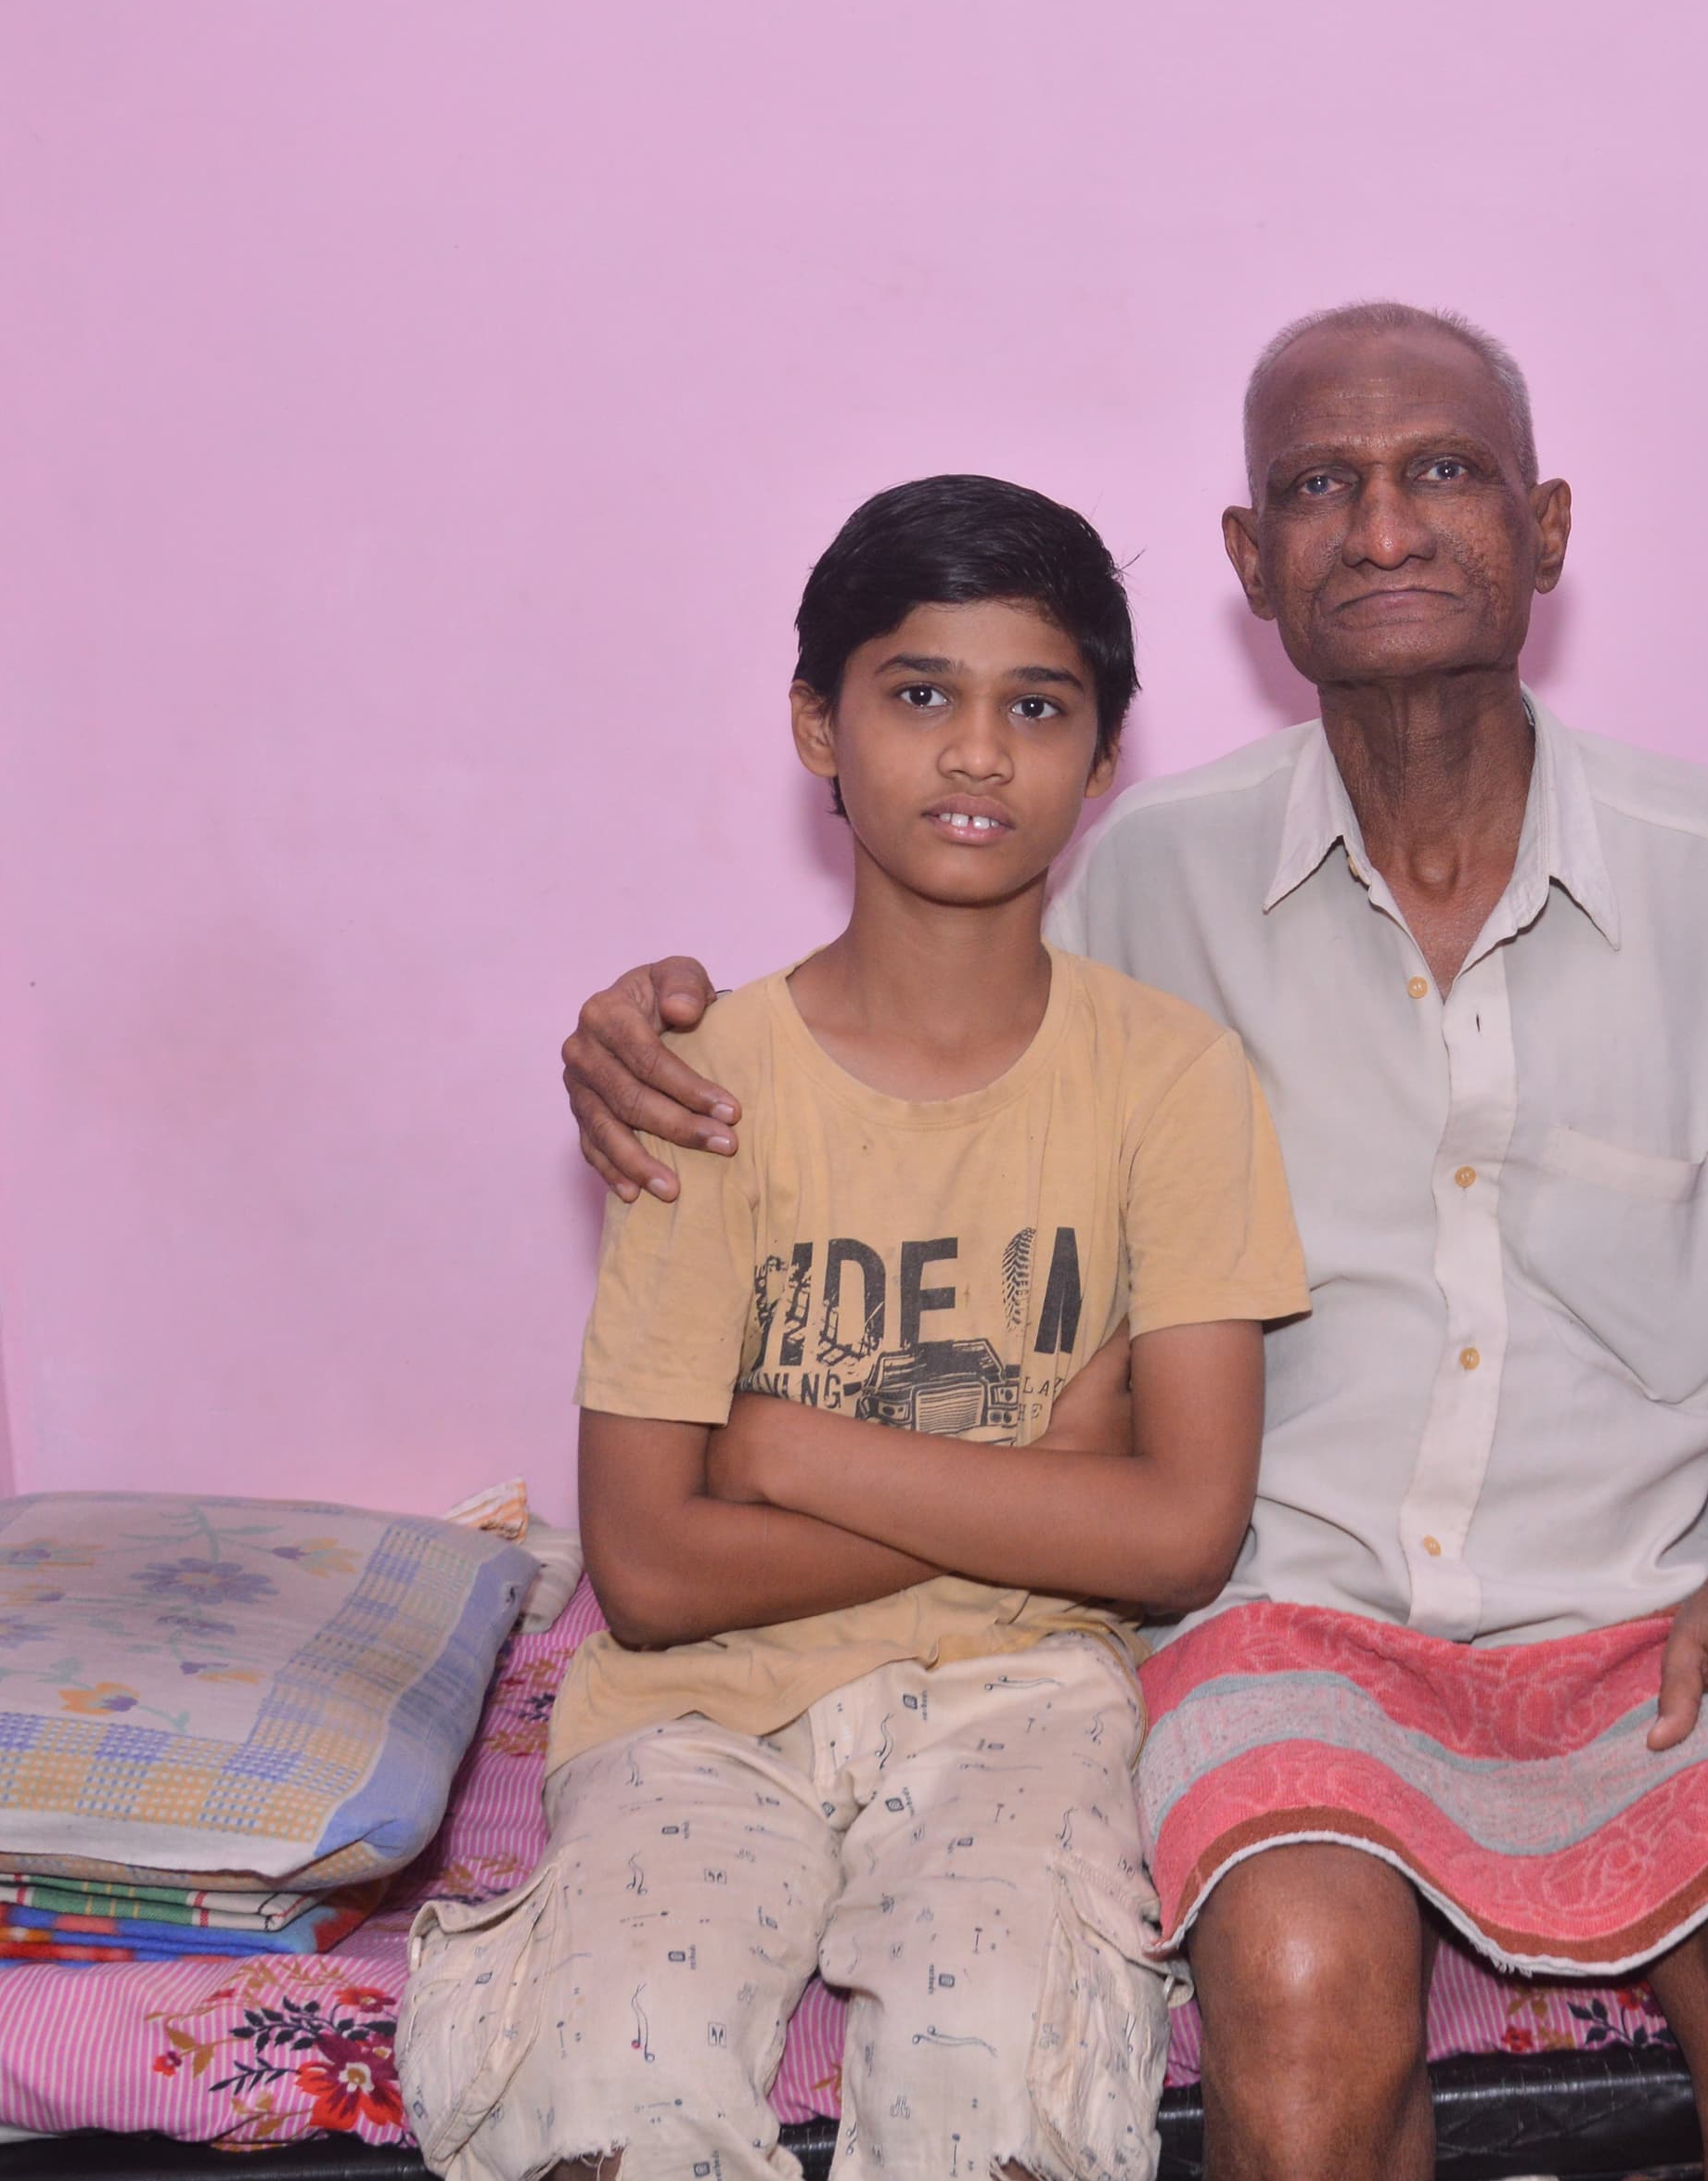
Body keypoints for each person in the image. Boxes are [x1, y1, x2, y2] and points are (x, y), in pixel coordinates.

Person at [558, 309, 1708, 2181]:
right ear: (1248, 557)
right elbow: (917, 1059)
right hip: (1290, 1611)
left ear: (1544, 523)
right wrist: (657, 1024)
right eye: (1319, 486)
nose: (1382, 527)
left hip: (1662, 1603)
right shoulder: (1142, 881)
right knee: (1294, 1968)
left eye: (1441, 470)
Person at [404, 475, 1310, 2181]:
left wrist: (791, 1448)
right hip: (695, 1717)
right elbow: (656, 1569)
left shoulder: (1171, 1083)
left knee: (994, 2047)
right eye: (920, 695)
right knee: (615, 2056)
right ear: (819, 721)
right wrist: (1033, 1487)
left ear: (1102, 756)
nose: (978, 753)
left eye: (1035, 707)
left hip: (1022, 1702)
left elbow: (1181, 1530)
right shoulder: (705, 1083)